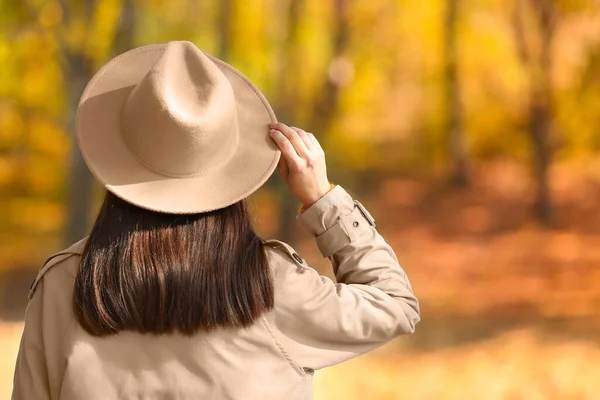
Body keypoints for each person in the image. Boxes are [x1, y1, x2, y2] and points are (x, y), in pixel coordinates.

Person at [11, 40, 420, 400]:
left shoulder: (64, 287)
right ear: (230, 169)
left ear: (117, 160)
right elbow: (395, 305)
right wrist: (323, 199)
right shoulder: (271, 287)